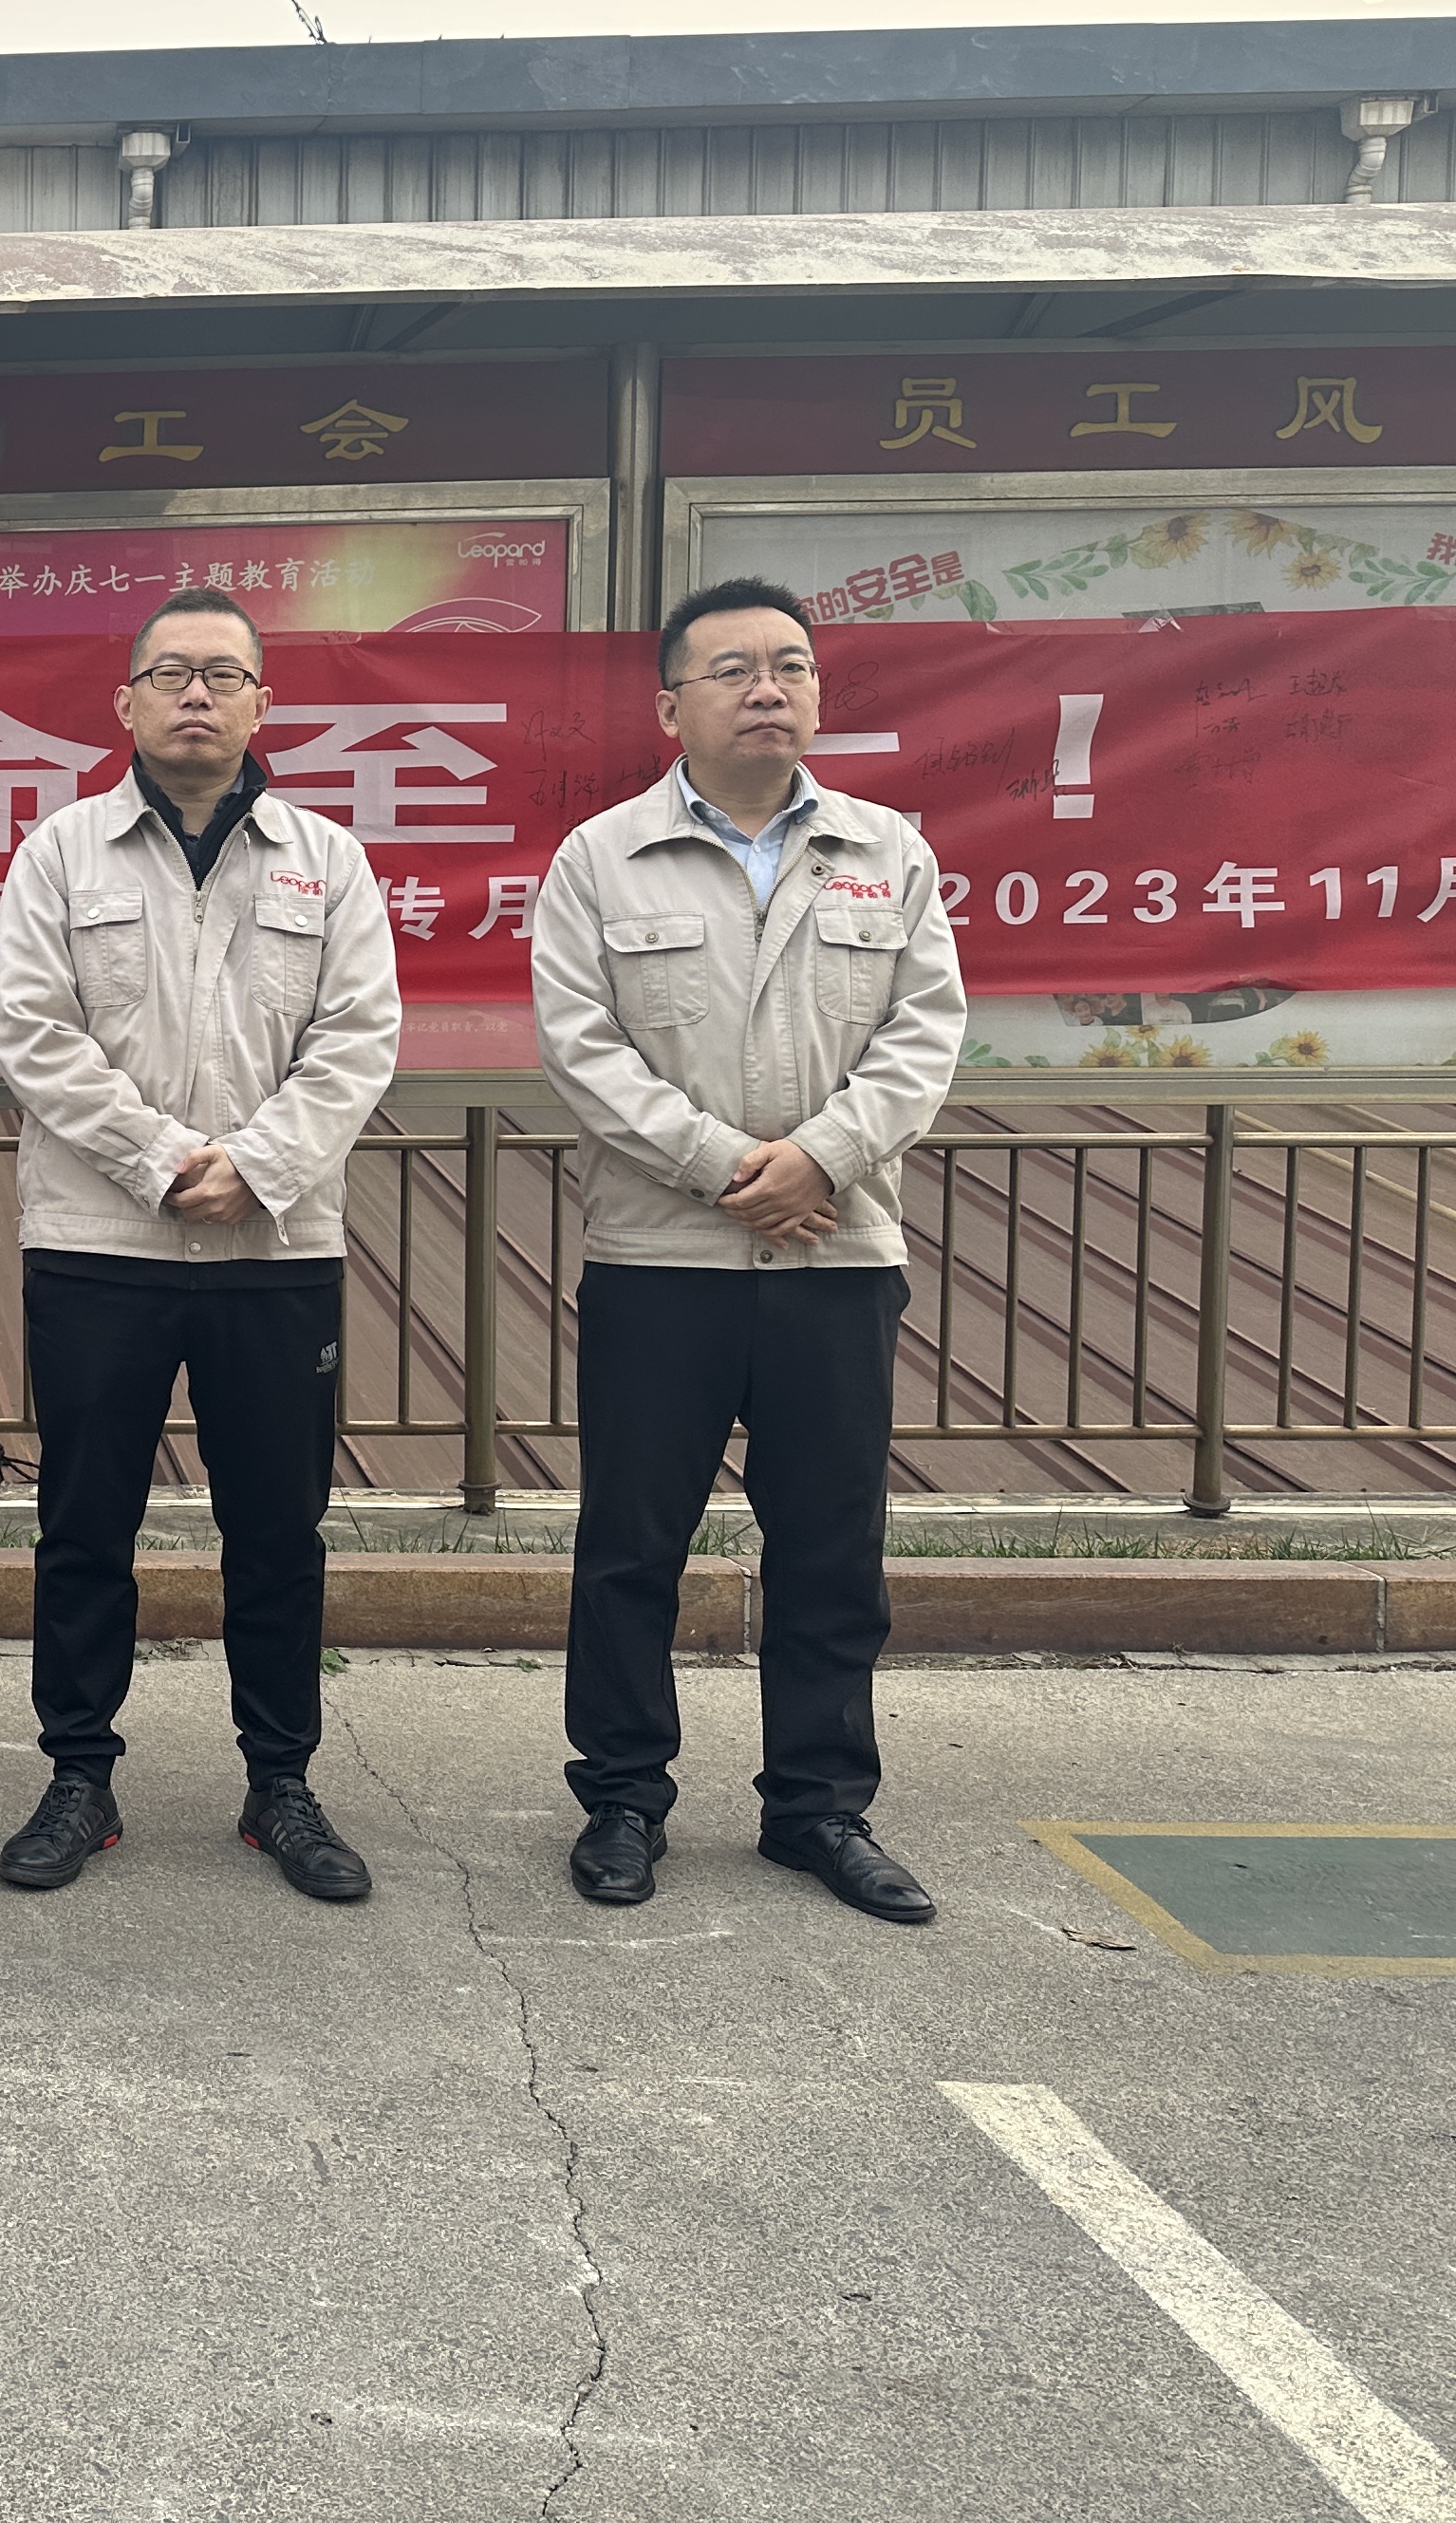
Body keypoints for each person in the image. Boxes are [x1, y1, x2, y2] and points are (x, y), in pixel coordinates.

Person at [531, 575, 964, 1924]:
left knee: (832, 1546)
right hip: (661, 1256)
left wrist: (821, 1159)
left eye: (790, 666)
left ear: (818, 695)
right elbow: (582, 1050)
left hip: (838, 1253)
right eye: (732, 670)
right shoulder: (600, 859)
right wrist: (732, 1168)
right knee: (631, 1546)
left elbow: (925, 1036)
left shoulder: (889, 850)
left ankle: (819, 1808)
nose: (766, 688)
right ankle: (622, 1800)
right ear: (672, 707)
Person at [0, 590, 401, 1895]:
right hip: (100, 1240)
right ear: (125, 702)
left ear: (263, 703)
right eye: (171, 674)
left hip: (275, 1249)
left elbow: (359, 1039)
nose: (197, 696)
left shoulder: (327, 860)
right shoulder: (62, 852)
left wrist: (258, 1167)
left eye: (225, 675)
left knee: (277, 1530)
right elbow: (33, 1033)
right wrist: (167, 1161)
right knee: (84, 1522)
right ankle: (78, 1776)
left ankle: (282, 1783)